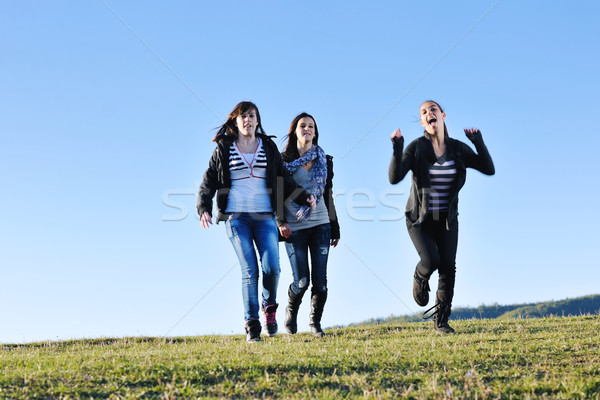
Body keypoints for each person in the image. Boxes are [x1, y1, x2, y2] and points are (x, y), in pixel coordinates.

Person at [197, 101, 316, 343]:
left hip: (265, 217)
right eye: (243, 117)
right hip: (236, 218)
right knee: (250, 270)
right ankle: (252, 324)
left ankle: (269, 307)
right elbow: (209, 178)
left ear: (257, 120)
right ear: (236, 121)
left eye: (252, 116)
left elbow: (282, 178)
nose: (248, 120)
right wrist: (204, 207)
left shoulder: (268, 147)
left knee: (272, 267)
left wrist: (304, 196)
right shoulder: (224, 148)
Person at [388, 100, 495, 333]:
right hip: (419, 220)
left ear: (443, 115)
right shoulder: (416, 148)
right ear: (422, 121)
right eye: (424, 112)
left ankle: (441, 321)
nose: (429, 114)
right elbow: (395, 177)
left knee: (448, 267)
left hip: (447, 219)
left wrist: (478, 142)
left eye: (432, 110)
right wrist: (398, 148)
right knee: (432, 261)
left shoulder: (458, 149)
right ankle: (420, 277)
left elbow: (488, 168)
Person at [279, 112, 340, 337]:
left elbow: (328, 194)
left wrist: (335, 226)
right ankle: (291, 310)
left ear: (315, 132)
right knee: (302, 281)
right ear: (295, 130)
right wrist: (281, 222)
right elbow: (277, 193)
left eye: (311, 126)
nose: (307, 129)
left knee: (320, 282)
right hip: (294, 227)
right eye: (303, 126)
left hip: (321, 223)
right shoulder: (283, 161)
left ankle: (315, 324)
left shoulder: (324, 159)